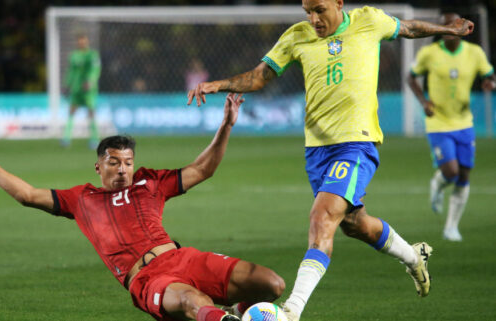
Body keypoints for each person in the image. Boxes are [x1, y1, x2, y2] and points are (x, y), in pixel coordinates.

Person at [187, 1, 474, 320]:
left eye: (319, 10)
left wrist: (447, 29)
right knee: (354, 224)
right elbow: (260, 76)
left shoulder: (369, 20)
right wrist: (218, 84)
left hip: (355, 143)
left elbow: (408, 28)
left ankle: (291, 311)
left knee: (321, 217)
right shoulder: (297, 36)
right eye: (307, 11)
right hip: (317, 151)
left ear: (338, 3)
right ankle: (413, 257)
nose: (313, 19)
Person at [0, 93, 285, 321]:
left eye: (127, 162)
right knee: (192, 301)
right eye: (113, 162)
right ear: (98, 167)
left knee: (272, 284)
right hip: (147, 279)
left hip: (180, 257)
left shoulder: (150, 183)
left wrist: (226, 125)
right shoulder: (81, 199)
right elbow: (28, 194)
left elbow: (202, 169)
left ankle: (241, 312)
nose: (122, 169)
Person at [407, 13, 495, 242]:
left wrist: (490, 83)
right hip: (438, 121)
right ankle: (437, 183)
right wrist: (424, 102)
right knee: (451, 172)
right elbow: (411, 77)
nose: (447, 29)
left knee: (464, 175)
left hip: (464, 121)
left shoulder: (474, 53)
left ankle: (451, 227)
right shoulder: (429, 53)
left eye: (452, 24)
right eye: (444, 25)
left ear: (461, 27)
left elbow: (490, 75)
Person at [62, 33, 102, 149]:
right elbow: (71, 71)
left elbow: (95, 69)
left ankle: (94, 138)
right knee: (72, 111)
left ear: (87, 41)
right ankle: (66, 138)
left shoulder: (92, 55)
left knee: (91, 111)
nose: (81, 43)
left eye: (83, 41)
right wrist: (67, 85)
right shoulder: (74, 55)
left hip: (89, 89)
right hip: (76, 88)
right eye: (79, 41)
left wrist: (90, 81)